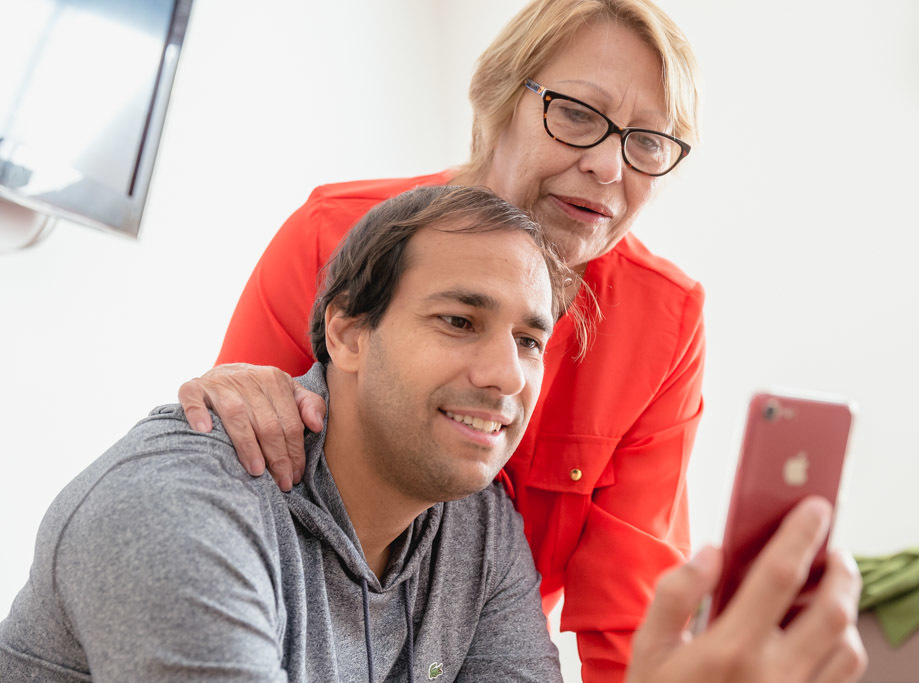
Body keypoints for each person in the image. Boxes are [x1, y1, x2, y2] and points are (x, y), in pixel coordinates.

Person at [176, 1, 849, 679]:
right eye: (578, 114)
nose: (608, 169)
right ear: (500, 103)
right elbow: (230, 465)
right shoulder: (335, 238)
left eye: (647, 142)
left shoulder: (663, 322)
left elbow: (626, 625)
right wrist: (234, 397)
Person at [0, 185, 866, 682]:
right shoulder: (181, 511)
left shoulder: (477, 527)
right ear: (343, 330)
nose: (506, 375)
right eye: (459, 320)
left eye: (530, 338)